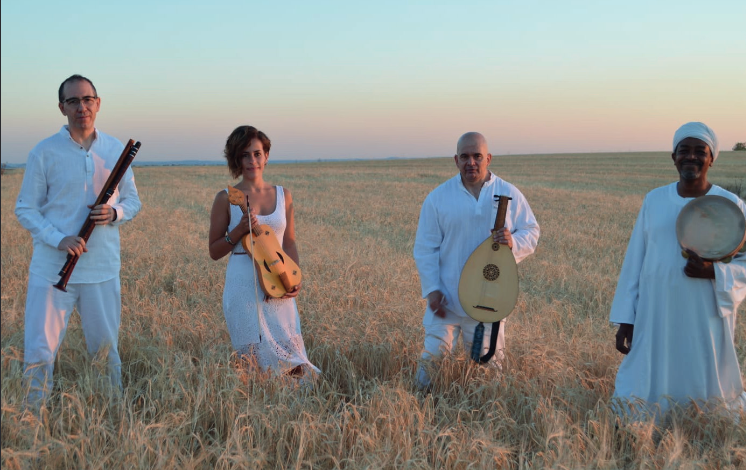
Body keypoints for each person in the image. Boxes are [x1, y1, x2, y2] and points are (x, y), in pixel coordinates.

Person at [15, 74, 142, 410]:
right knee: (40, 351)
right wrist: (59, 239)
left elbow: (132, 201)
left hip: (102, 269)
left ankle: (111, 417)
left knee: (105, 351)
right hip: (51, 270)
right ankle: (32, 421)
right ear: (62, 107)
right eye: (73, 101)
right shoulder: (44, 152)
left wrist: (114, 213)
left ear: (98, 104)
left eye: (87, 99)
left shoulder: (115, 149)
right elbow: (25, 208)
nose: (81, 107)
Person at [611, 122, 746, 422]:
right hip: (656, 312)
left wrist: (714, 273)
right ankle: (646, 421)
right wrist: (626, 318)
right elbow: (635, 261)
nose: (691, 157)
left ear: (712, 158)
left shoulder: (731, 205)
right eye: (684, 150)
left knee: (703, 367)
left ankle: (707, 421)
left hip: (705, 311)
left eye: (700, 151)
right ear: (673, 157)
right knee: (649, 372)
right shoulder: (654, 200)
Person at [413, 132, 540, 390]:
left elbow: (531, 231)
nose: (471, 162)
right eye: (465, 156)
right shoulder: (438, 198)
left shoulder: (508, 193)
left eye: (477, 156)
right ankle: (420, 407)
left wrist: (513, 242)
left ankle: (483, 411)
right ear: (456, 160)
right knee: (430, 368)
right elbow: (426, 248)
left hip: (488, 301)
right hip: (446, 300)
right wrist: (433, 290)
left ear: (488, 158)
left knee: (487, 374)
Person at [209, 125, 319, 381]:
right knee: (252, 367)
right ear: (236, 159)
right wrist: (238, 231)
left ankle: (293, 404)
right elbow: (214, 250)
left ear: (266, 155)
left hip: (278, 278)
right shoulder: (225, 198)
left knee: (292, 359)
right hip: (242, 286)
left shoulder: (283, 195)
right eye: (245, 155)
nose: (252, 161)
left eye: (257, 153)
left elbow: (289, 242)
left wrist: (294, 278)